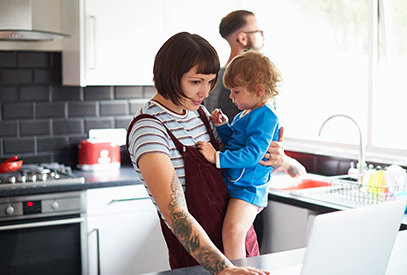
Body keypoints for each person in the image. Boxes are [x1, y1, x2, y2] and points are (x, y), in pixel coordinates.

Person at [126, 32, 268, 275]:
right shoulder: (149, 129)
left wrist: (275, 158)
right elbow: (176, 214)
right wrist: (223, 268)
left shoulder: (200, 114)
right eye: (196, 82)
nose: (205, 92)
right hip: (201, 265)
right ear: (170, 76)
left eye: (210, 81)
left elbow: (237, 160)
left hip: (242, 250)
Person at [198, 50, 281, 260]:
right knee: (230, 233)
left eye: (236, 91)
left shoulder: (266, 115)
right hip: (237, 185)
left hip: (248, 189)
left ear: (259, 89)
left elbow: (253, 153)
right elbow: (236, 142)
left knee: (233, 232)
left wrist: (217, 157)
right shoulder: (247, 113)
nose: (231, 97)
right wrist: (223, 126)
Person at [204, 10, 306, 177]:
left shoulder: (213, 80)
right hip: (243, 178)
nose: (263, 37)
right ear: (243, 38)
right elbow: (245, 144)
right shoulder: (243, 88)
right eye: (259, 32)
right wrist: (285, 162)